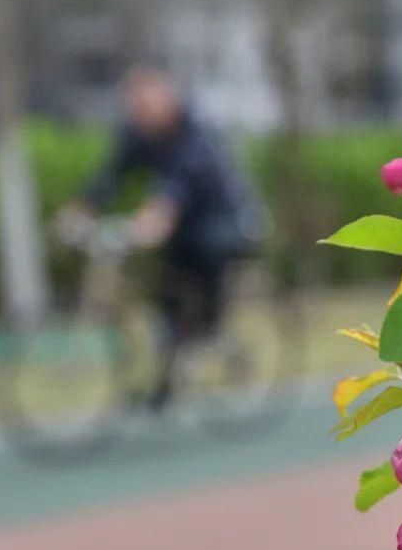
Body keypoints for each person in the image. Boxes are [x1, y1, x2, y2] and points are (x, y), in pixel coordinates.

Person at [62, 66, 259, 410]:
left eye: (146, 106)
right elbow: (110, 175)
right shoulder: (139, 135)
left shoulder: (195, 135)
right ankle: (165, 371)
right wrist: (79, 210)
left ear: (167, 100)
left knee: (203, 255)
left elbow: (175, 187)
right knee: (157, 288)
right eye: (135, 108)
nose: (141, 115)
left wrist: (151, 220)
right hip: (179, 227)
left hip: (224, 221)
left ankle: (208, 330)